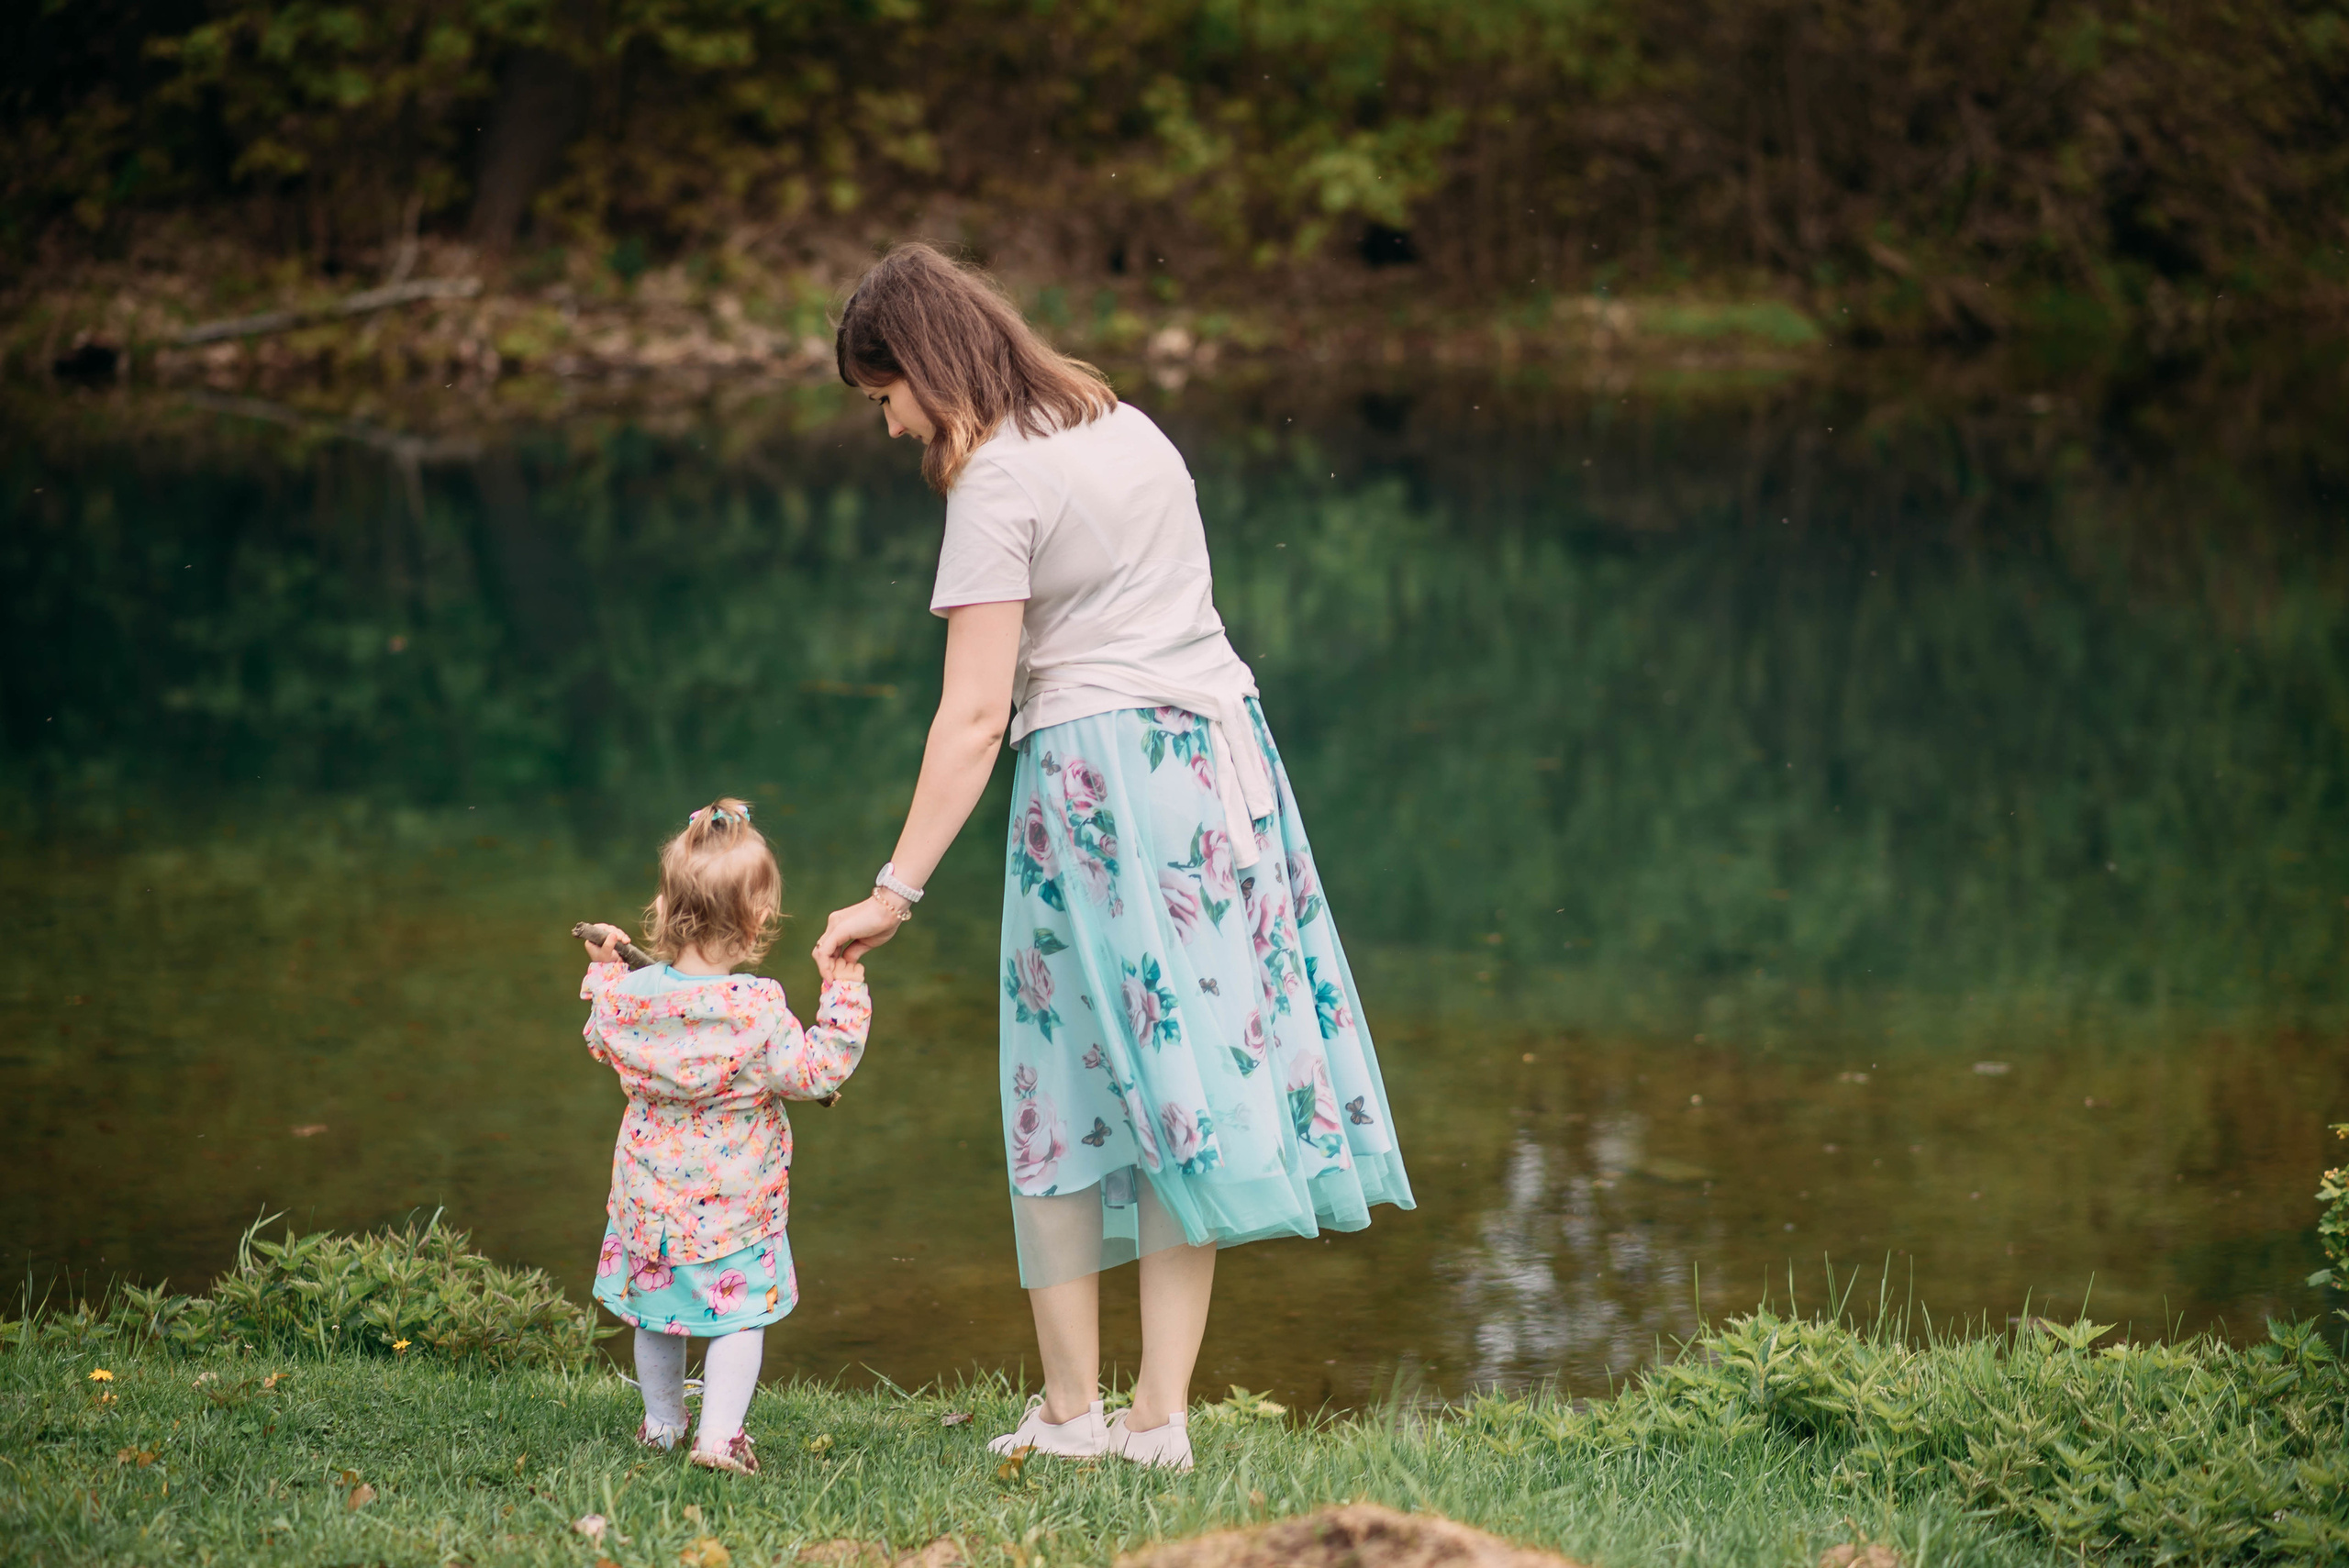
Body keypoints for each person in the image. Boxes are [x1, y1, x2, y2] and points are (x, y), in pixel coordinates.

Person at [810, 243, 1412, 1473]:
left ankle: (1076, 1412)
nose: (889, 430)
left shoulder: (995, 482)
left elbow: (975, 714)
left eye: (885, 400)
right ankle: (1160, 1419)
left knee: (1064, 1087)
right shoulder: (1123, 422)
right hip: (1221, 769)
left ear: (922, 369)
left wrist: (894, 889)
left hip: (1100, 785)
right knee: (1182, 1078)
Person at [582, 798, 873, 1474]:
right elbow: (815, 1070)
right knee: (739, 1319)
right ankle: (719, 1436)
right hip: (738, 1207)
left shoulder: (631, 997)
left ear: (664, 903)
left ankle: (661, 1424)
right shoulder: (757, 1006)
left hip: (649, 1201)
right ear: (758, 917)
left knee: (656, 1314)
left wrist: (605, 968)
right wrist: (845, 993)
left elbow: (600, 1036)